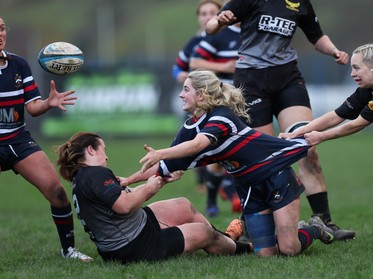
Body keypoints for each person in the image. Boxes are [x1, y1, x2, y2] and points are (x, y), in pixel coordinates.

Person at [122, 70, 334, 257]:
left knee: (289, 249)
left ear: (201, 94)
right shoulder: (188, 129)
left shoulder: (222, 116)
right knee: (266, 254)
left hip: (275, 174)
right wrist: (128, 180)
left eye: (186, 89)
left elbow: (198, 145)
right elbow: (163, 167)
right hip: (248, 186)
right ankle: (294, 231)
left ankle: (314, 228)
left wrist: (161, 152)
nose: (180, 94)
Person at [205, 0, 355, 241]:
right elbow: (212, 26)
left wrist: (334, 51)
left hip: (287, 77)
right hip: (251, 81)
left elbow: (316, 37)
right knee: (260, 156)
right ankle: (252, 222)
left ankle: (324, 220)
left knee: (307, 145)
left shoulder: (300, 3)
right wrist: (219, 21)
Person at [55, 131, 252, 263]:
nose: (106, 157)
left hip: (130, 234)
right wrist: (150, 189)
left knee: (183, 205)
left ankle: (226, 240)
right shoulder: (95, 174)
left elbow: (124, 196)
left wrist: (162, 180)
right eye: (103, 150)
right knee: (204, 233)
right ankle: (246, 249)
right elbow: (124, 206)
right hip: (133, 246)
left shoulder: (83, 177)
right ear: (90, 149)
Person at [0, 16, 92, 261]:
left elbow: (32, 107)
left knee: (58, 193)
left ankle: (69, 250)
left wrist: (49, 103)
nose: (0, 34)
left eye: (1, 29)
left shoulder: (19, 65)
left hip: (18, 140)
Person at [279, 43, 373, 144]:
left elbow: (358, 124)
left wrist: (322, 136)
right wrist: (295, 133)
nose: (352, 74)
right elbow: (336, 115)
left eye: (356, 68)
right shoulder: (369, 88)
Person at [189, 10, 241, 217]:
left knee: (240, 151)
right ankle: (214, 198)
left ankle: (240, 197)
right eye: (204, 13)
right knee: (219, 154)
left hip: (248, 100)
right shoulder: (218, 35)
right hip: (220, 101)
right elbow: (193, 63)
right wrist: (225, 67)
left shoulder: (258, 34)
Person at [172, 0, 223, 194]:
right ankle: (203, 183)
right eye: (203, 13)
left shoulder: (232, 37)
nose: (207, 16)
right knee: (196, 140)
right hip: (200, 101)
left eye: (212, 12)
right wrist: (180, 76)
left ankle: (225, 186)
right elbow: (178, 67)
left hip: (224, 98)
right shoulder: (194, 43)